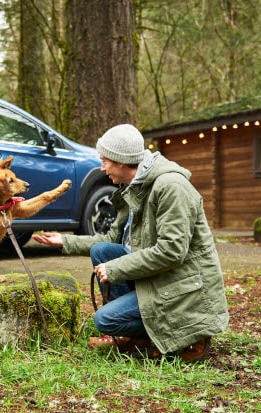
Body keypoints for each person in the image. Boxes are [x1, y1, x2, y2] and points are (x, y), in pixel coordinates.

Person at [33, 124, 229, 362]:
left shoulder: (171, 187)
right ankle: (136, 335)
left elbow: (171, 252)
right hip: (157, 278)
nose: (102, 167)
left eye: (105, 161)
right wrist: (64, 241)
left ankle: (190, 334)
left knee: (105, 319)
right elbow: (108, 240)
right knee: (103, 251)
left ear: (121, 161)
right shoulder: (134, 189)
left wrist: (115, 269)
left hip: (183, 287)